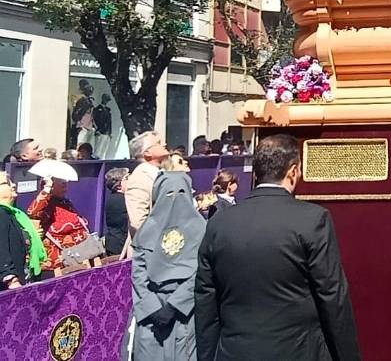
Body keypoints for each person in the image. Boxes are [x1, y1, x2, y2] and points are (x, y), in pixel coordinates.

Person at [196, 134, 359, 361]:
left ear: (256, 172)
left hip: (235, 352)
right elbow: (332, 296)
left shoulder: (219, 223)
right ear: (293, 171)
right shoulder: (312, 220)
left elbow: (206, 300)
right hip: (298, 352)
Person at [133, 172, 206, 360]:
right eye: (168, 194)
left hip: (184, 313)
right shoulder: (146, 231)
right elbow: (138, 274)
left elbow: (201, 272)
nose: (174, 200)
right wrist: (152, 307)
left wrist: (174, 306)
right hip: (151, 313)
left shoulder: (201, 229)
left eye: (180, 193)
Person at [27, 176, 94, 272]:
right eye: (62, 182)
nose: (66, 185)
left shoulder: (65, 202)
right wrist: (47, 189)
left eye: (66, 181)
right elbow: (33, 213)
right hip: (59, 264)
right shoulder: (47, 205)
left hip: (80, 257)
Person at [124, 131, 171, 253]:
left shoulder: (161, 173)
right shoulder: (140, 178)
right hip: (153, 253)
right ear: (147, 153)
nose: (165, 144)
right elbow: (138, 222)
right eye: (159, 143)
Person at [0, 172, 45, 289]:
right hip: (9, 286)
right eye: (6, 183)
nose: (13, 185)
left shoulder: (14, 213)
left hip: (25, 277)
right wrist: (11, 278)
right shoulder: (1, 213)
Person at [104, 167, 130, 256]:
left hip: (117, 244)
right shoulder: (118, 200)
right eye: (127, 178)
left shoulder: (117, 198)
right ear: (119, 185)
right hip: (119, 247)